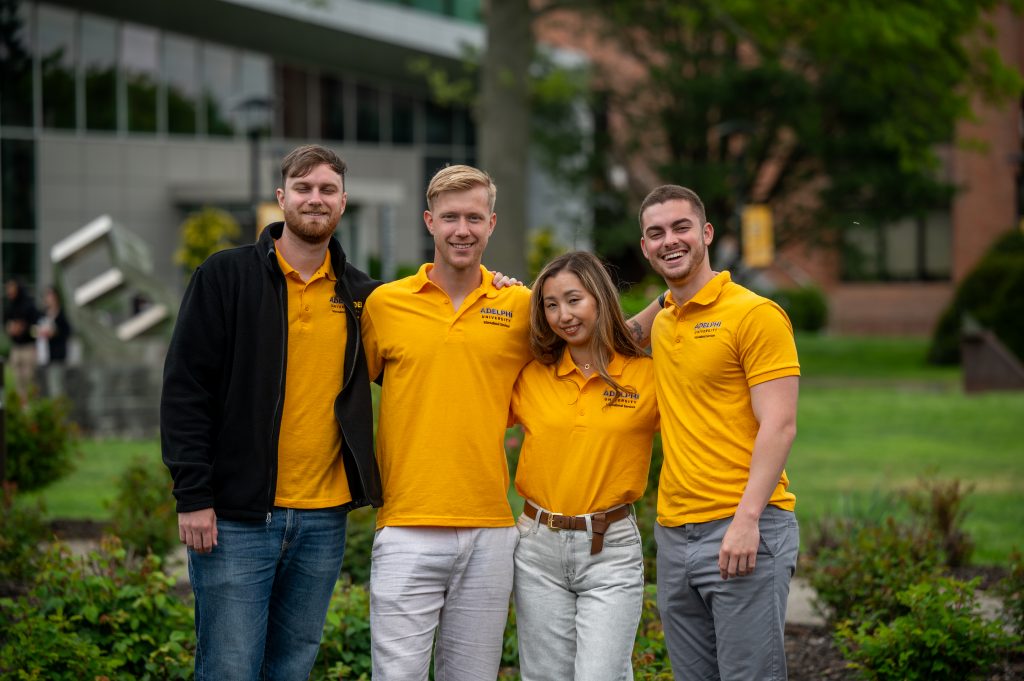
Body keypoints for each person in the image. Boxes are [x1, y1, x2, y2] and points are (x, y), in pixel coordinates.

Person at [160, 144, 382, 681]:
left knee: (292, 666)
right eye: (303, 188)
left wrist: (500, 290)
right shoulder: (224, 277)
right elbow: (186, 389)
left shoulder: (365, 296)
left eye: (327, 189)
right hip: (237, 518)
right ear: (281, 198)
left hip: (322, 518)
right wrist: (193, 495)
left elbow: (440, 335)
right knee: (229, 668)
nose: (315, 199)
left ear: (343, 202)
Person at [638, 185, 801, 680]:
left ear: (706, 233)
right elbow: (594, 333)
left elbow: (780, 424)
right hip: (674, 534)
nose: (670, 240)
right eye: (656, 233)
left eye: (681, 227)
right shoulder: (663, 319)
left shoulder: (754, 315)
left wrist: (747, 519)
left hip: (743, 526)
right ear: (645, 247)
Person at [509, 251, 659, 681]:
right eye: (551, 304)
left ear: (599, 298)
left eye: (574, 300)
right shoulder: (531, 376)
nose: (563, 315)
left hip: (609, 549)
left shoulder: (645, 376)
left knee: (601, 674)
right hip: (537, 549)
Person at [3, 278, 39, 398]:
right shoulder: (10, 307)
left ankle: (30, 405)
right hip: (16, 347)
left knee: (29, 379)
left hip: (28, 347)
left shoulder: (29, 305)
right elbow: (6, 324)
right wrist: (10, 328)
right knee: (17, 380)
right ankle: (21, 405)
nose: (9, 292)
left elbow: (36, 328)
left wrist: (24, 328)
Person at [36, 285, 73, 397]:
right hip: (44, 356)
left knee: (57, 386)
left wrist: (55, 332)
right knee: (44, 387)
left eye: (50, 295)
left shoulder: (61, 314)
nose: (48, 298)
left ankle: (58, 411)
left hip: (57, 356)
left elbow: (67, 331)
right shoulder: (43, 314)